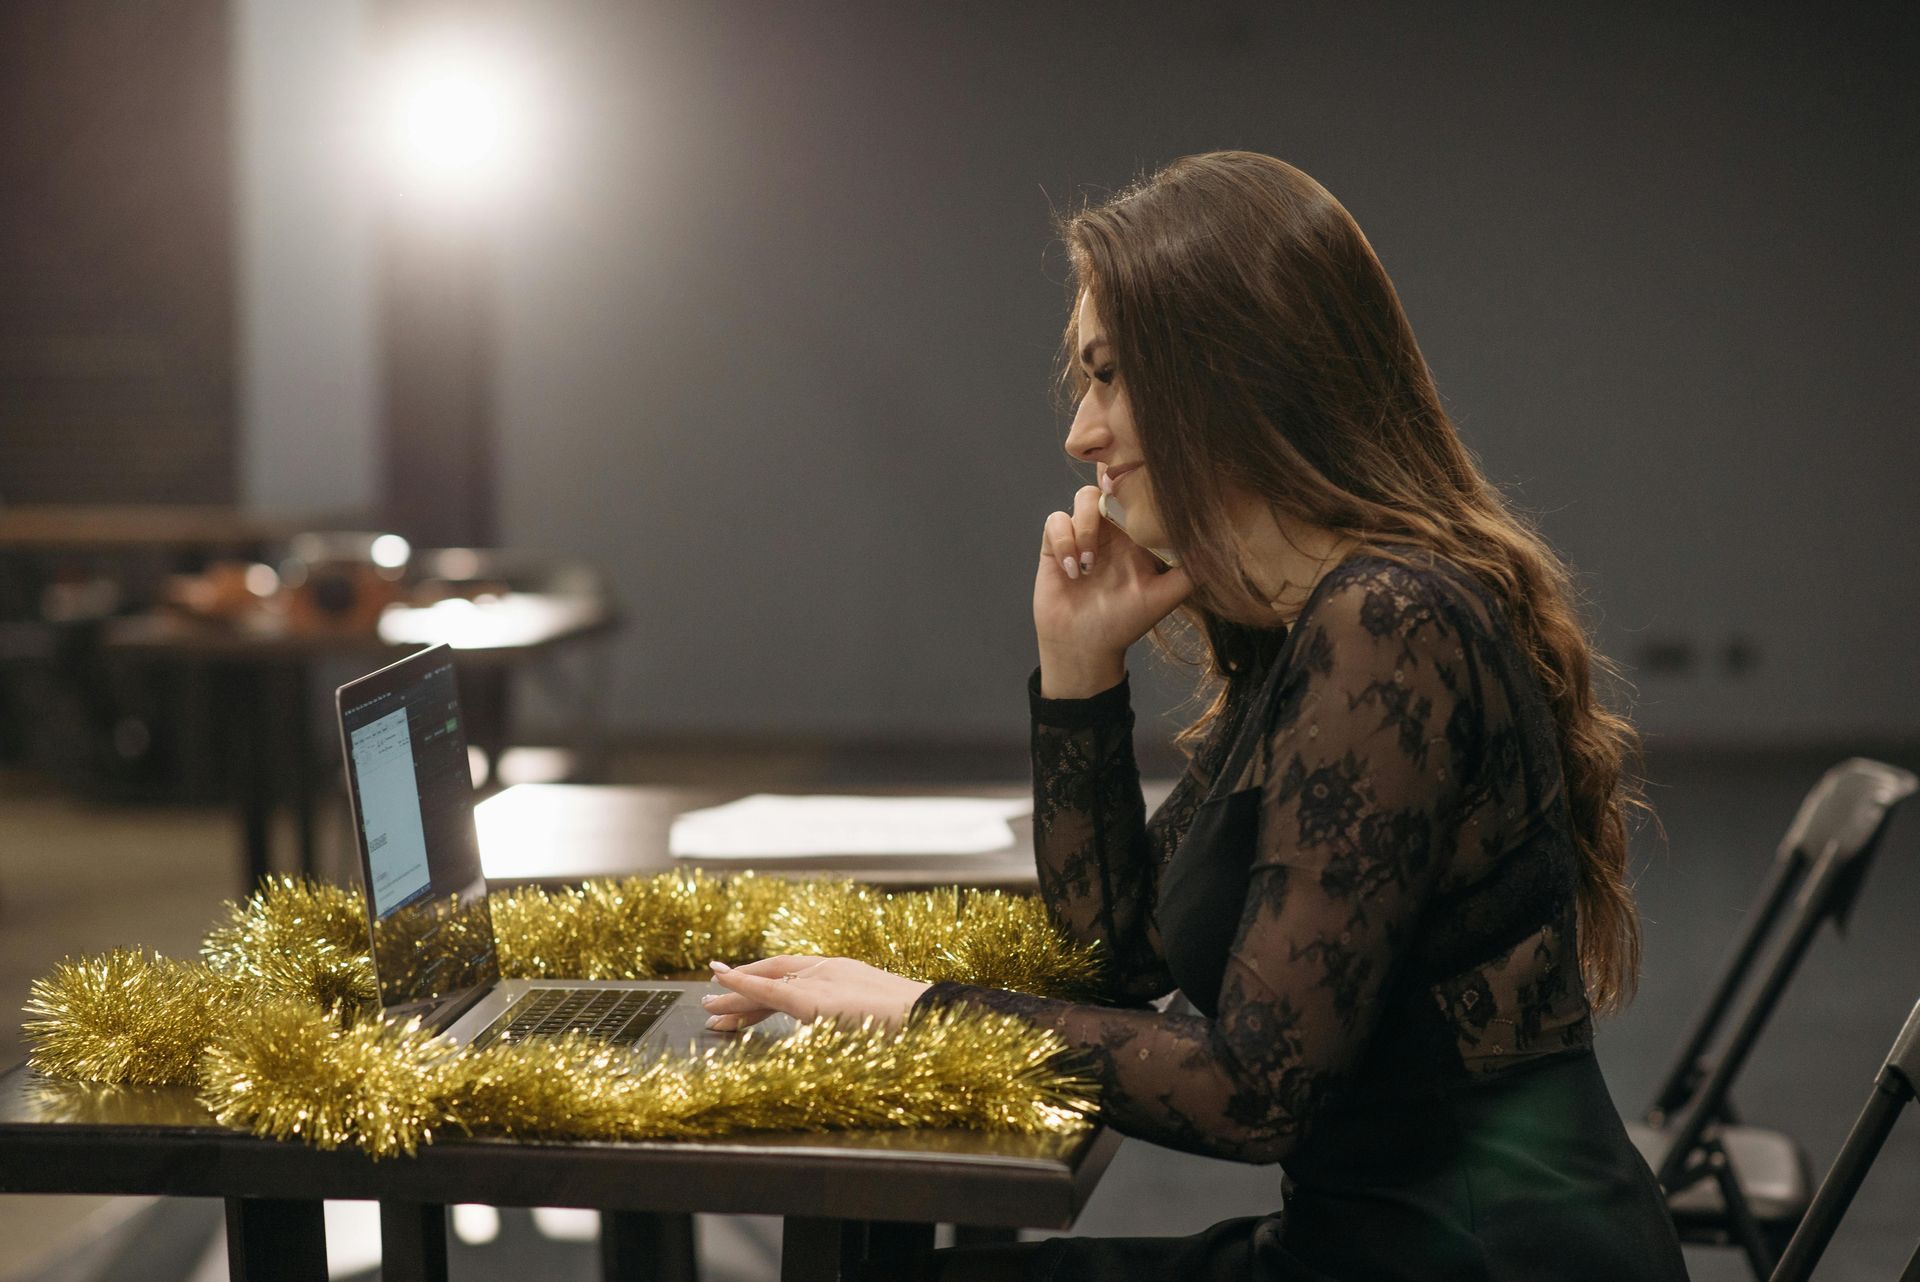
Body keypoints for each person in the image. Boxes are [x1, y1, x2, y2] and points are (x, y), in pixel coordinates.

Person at [706, 151, 1688, 1281]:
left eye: (1113, 377)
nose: (1081, 431)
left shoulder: (1387, 624)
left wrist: (925, 1010)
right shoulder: (1315, 626)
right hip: (1381, 1243)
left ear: (1237, 376)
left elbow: (1253, 1091)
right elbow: (1118, 956)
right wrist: (1077, 671)